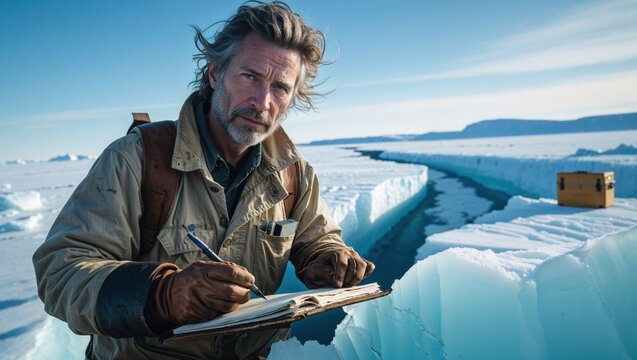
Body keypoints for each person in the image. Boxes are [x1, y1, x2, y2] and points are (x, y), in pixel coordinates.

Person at [32, 1, 374, 359]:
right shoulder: (137, 160)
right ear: (214, 74)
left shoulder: (293, 173)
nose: (262, 102)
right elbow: (62, 272)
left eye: (280, 87)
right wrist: (163, 296)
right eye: (250, 77)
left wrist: (326, 257)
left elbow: (316, 237)